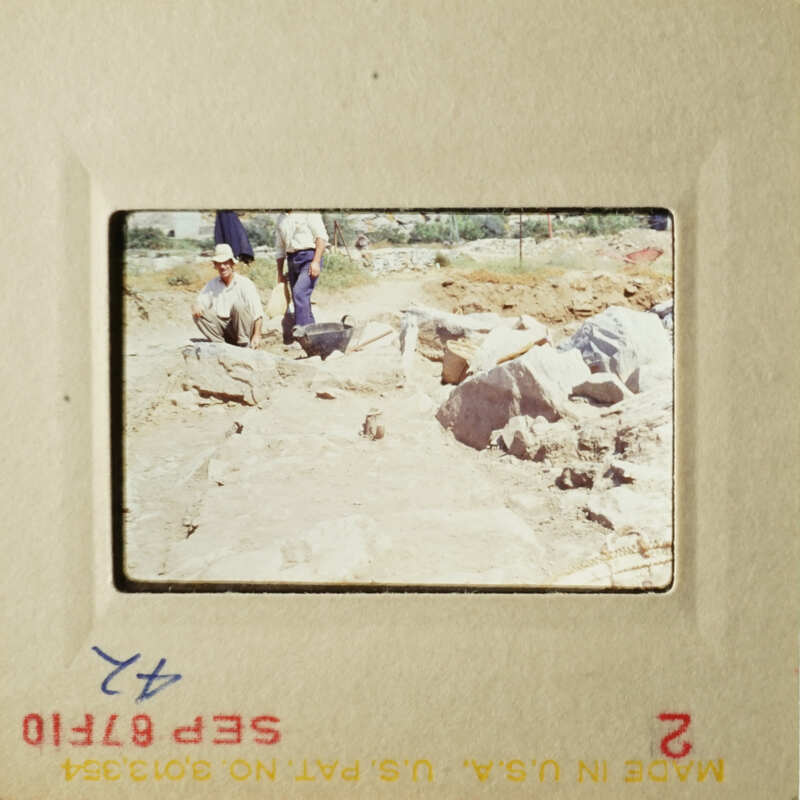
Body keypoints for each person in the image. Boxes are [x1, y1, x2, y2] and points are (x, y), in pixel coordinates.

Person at [191, 243, 263, 348]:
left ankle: (243, 344)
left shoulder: (245, 283)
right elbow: (200, 302)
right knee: (199, 314)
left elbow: (258, 313)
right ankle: (220, 345)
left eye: (225, 263)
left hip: (243, 328)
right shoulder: (213, 284)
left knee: (239, 305)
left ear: (232, 263)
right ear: (215, 265)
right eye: (219, 263)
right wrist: (196, 306)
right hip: (223, 328)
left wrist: (257, 335)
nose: (222, 267)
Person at [275, 211, 329, 327]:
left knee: (299, 293)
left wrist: (316, 262)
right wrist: (279, 273)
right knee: (299, 299)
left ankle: (303, 333)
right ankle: (312, 334)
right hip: (291, 259)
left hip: (309, 257)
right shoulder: (281, 218)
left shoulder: (308, 212)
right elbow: (280, 248)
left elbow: (321, 237)